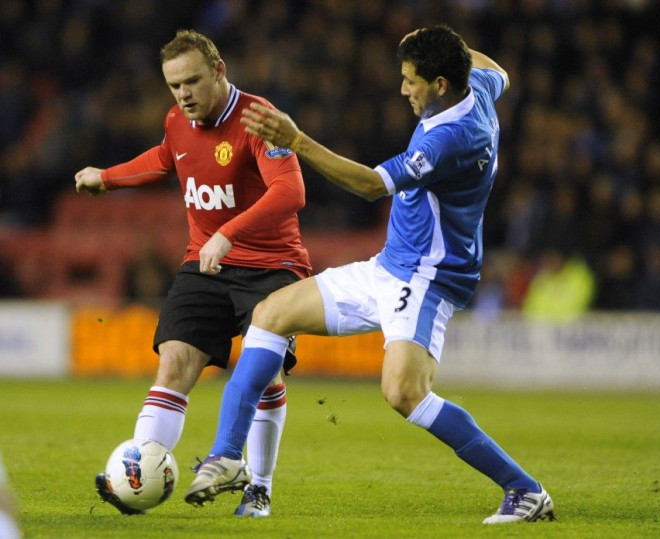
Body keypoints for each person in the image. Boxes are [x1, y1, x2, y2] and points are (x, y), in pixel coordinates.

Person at [188, 25, 555, 524]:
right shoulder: (478, 86)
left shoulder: (453, 137)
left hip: (427, 277)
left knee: (404, 393)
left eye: (411, 80)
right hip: (390, 265)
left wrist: (296, 140)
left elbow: (369, 185)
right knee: (269, 314)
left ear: (441, 84)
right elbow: (497, 70)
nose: (403, 89)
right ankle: (231, 458)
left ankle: (525, 489)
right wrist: (440, 40)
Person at [74, 29, 312, 518]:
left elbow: (290, 192)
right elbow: (165, 159)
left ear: (219, 71)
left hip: (271, 267)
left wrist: (230, 232)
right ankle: (135, 474)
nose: (183, 94)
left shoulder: (258, 119)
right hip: (205, 264)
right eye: (174, 86)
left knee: (263, 377)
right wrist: (109, 178)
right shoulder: (177, 121)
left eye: (192, 81)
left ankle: (259, 486)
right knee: (174, 361)